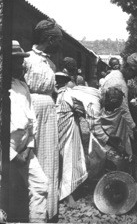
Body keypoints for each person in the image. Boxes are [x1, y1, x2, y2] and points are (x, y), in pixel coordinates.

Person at [23, 18, 63, 221]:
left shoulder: (51, 63)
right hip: (31, 109)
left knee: (49, 155)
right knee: (32, 154)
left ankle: (49, 209)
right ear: (49, 39)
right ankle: (31, 206)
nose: (59, 45)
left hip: (49, 110)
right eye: (57, 40)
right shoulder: (27, 59)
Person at [9, 40, 48, 223]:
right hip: (6, 147)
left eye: (21, 60)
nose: (20, 64)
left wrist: (28, 147)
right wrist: (12, 155)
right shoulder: (3, 87)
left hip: (24, 147)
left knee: (41, 185)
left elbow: (32, 120)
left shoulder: (22, 86)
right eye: (15, 60)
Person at [99, 53, 137, 156]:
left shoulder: (115, 75)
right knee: (116, 148)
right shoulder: (119, 82)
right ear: (128, 69)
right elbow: (124, 109)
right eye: (133, 74)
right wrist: (134, 127)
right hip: (113, 120)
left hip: (109, 116)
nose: (132, 77)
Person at [54, 71, 87, 208]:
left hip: (63, 131)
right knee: (68, 160)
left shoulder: (62, 94)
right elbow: (81, 111)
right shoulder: (65, 94)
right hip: (66, 131)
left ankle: (66, 194)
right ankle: (67, 196)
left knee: (66, 161)